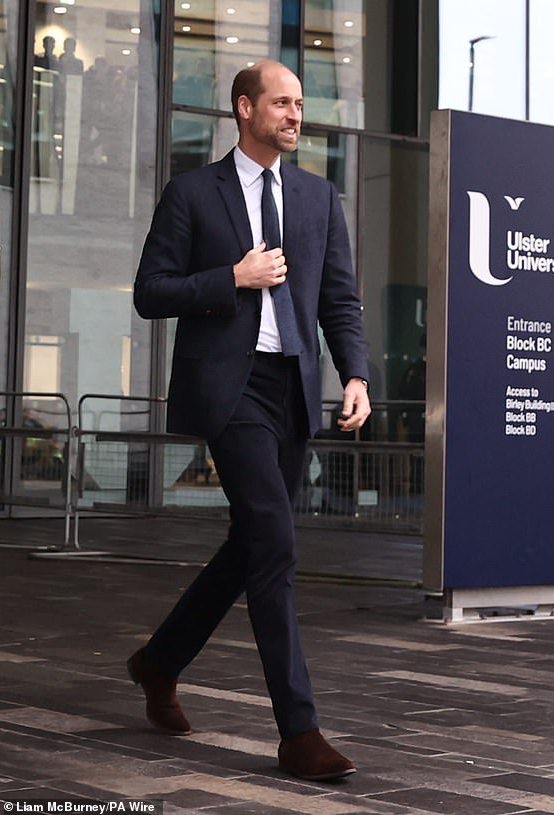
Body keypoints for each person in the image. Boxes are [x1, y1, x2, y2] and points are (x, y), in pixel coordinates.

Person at [129, 60, 371, 782]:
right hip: (229, 391)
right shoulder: (191, 194)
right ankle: (298, 731)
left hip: (290, 387)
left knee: (252, 544)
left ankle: (158, 660)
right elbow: (150, 291)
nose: (297, 115)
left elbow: (340, 300)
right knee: (273, 539)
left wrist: (355, 371)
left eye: (301, 104)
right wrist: (229, 278)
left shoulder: (318, 198)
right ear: (244, 108)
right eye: (283, 103)